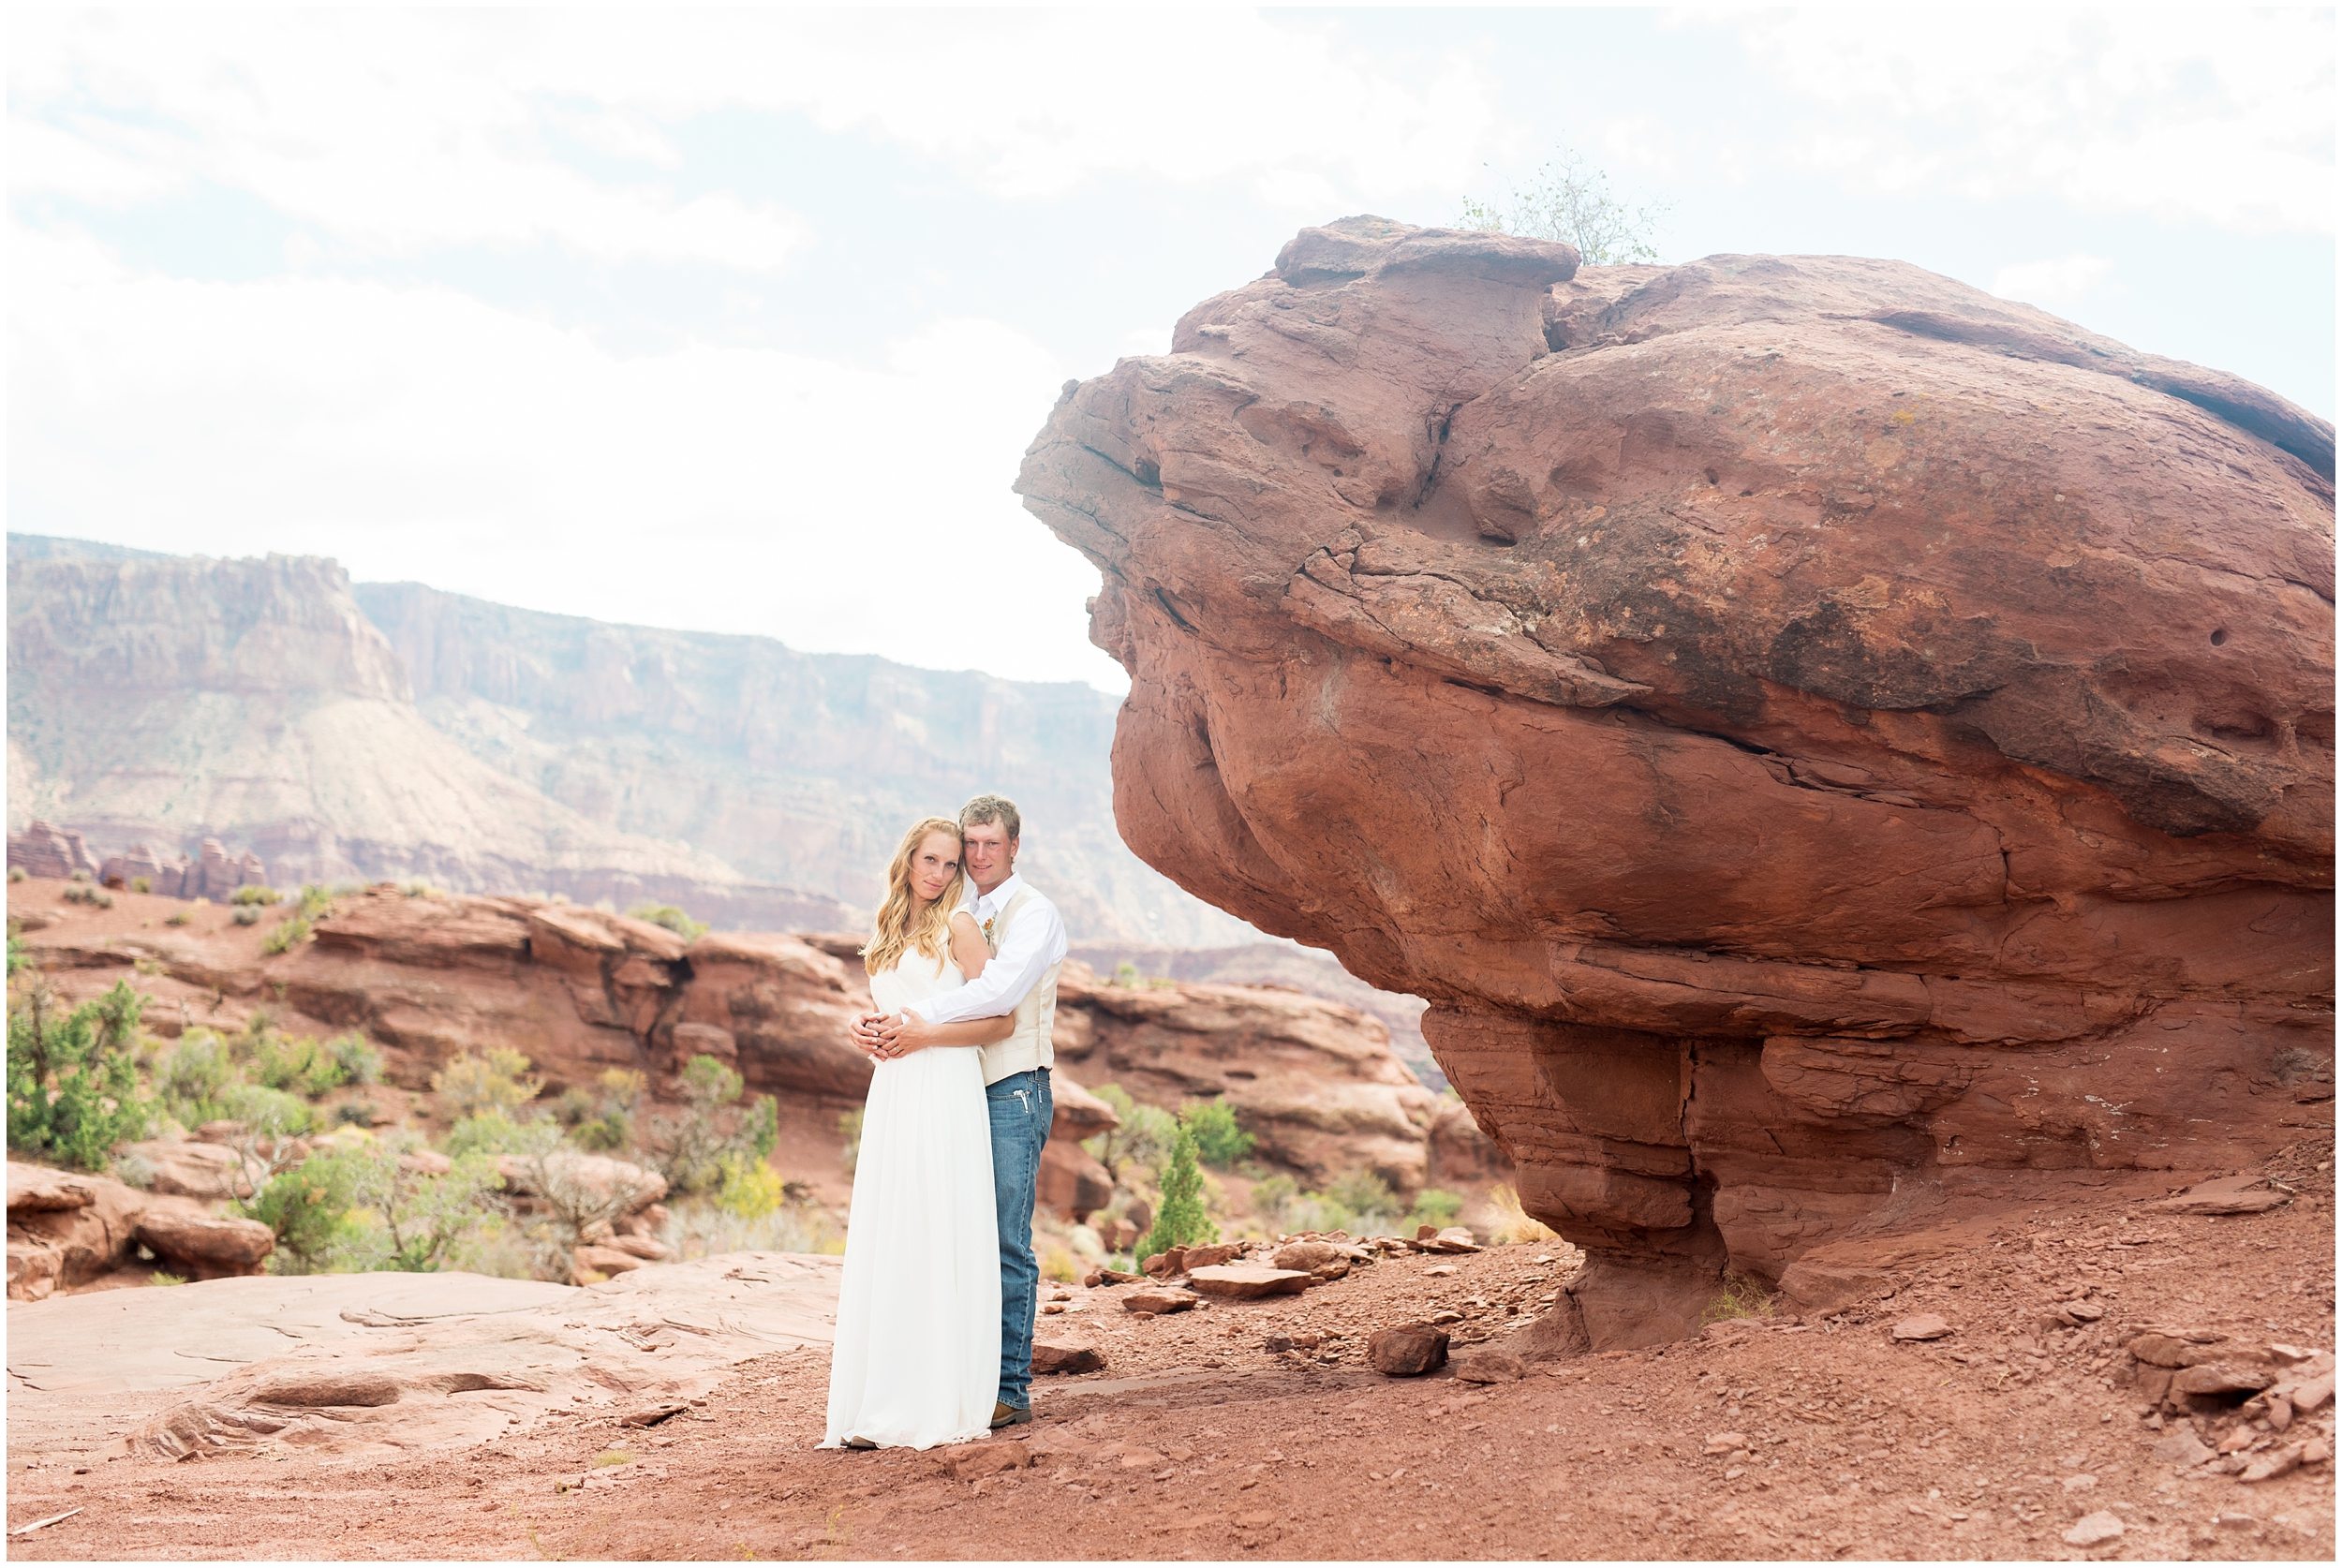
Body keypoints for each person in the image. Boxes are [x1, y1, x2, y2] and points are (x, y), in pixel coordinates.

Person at [855, 793, 1067, 1431]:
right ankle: (935, 1377)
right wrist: (870, 1026)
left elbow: (998, 1001)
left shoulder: (1033, 915)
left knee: (1003, 1241)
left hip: (1012, 1089)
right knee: (939, 1235)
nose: (972, 859)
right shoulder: (958, 910)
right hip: (943, 1092)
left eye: (985, 846)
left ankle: (1007, 1390)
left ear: (1013, 847)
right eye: (962, 848)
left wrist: (917, 1028)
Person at [822, 817, 1016, 1452]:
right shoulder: (886, 928)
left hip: (944, 1089)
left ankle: (931, 1400)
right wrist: (865, 1030)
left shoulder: (960, 927)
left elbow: (1001, 1020)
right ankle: (881, 1399)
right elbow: (892, 1011)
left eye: (951, 864)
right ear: (908, 860)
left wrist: (924, 1035)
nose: (939, 874)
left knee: (935, 1228)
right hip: (896, 1091)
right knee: (895, 1231)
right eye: (930, 860)